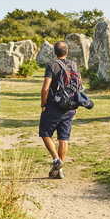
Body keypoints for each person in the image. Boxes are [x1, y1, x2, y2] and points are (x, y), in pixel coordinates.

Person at [39, 41, 78, 179]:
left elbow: (45, 88)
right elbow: (78, 85)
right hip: (69, 107)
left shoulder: (51, 65)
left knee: (44, 132)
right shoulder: (73, 65)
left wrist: (43, 104)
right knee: (64, 138)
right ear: (67, 51)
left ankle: (56, 160)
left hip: (53, 106)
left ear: (54, 52)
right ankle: (59, 170)